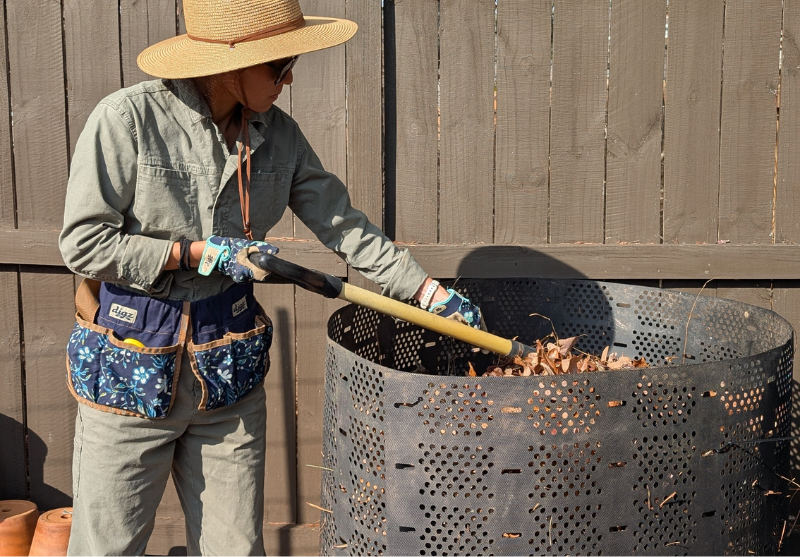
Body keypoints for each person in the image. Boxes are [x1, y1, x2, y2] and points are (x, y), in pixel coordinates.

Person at [58, 0, 482, 554]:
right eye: (277, 65)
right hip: (132, 368)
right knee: (105, 548)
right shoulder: (127, 120)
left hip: (227, 370)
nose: (289, 77)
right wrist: (192, 254)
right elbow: (84, 243)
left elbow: (343, 224)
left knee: (237, 549)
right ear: (228, 66)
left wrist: (426, 292)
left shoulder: (279, 137)